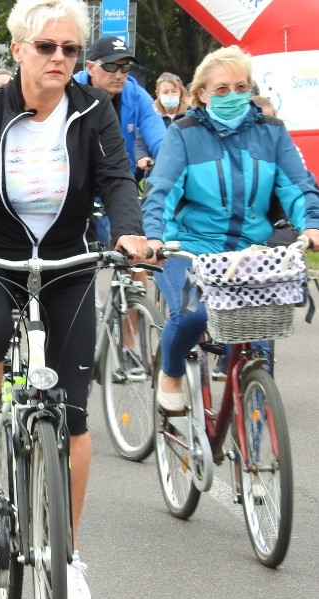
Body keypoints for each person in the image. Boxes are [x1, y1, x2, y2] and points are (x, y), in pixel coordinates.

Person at [0, 0, 150, 599]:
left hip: (68, 261)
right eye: (47, 47)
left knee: (71, 413)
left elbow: (117, 179)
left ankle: (65, 556)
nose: (60, 59)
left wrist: (129, 232)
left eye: (70, 50)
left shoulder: (94, 109)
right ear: (19, 49)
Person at [142, 45, 319, 412]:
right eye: (222, 89)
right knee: (195, 312)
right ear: (202, 94)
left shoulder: (272, 132)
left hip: (251, 252)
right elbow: (160, 191)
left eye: (241, 87)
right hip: (189, 247)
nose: (233, 96)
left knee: (263, 324)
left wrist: (312, 224)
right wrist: (155, 237)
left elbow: (297, 186)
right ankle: (171, 371)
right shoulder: (184, 134)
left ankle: (255, 428)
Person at [74, 36, 165, 244]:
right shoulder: (69, 91)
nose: (119, 75)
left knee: (135, 251)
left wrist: (172, 162)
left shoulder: (136, 95)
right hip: (75, 188)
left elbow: (160, 139)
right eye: (110, 66)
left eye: (125, 68)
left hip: (117, 185)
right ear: (90, 67)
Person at [134, 72, 190, 178]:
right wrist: (141, 157)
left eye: (174, 91)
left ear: (180, 93)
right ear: (158, 94)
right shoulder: (149, 115)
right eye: (165, 92)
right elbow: (139, 141)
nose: (170, 95)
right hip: (157, 172)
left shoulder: (191, 114)